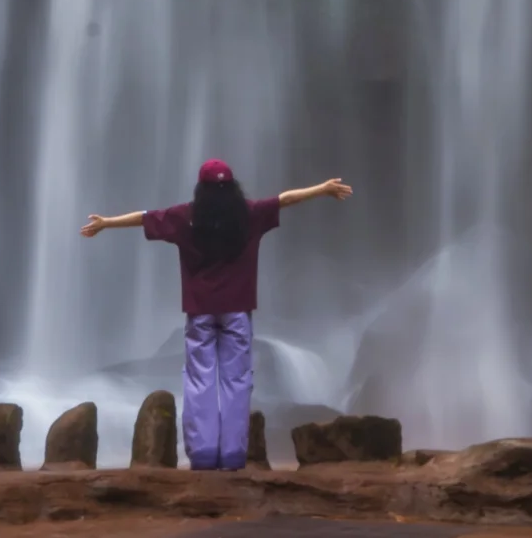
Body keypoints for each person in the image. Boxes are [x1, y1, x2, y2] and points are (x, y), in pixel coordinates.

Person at [80, 160, 352, 471]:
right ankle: (234, 454)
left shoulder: (185, 217)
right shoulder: (249, 214)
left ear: (202, 188)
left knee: (200, 381)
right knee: (236, 381)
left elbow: (143, 218)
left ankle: (205, 453)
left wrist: (105, 223)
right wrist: (323, 189)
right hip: (236, 312)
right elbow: (285, 199)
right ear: (233, 186)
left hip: (200, 313)